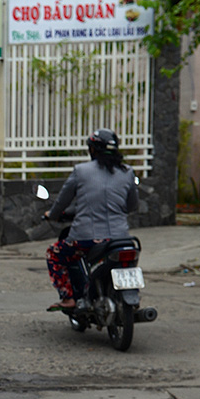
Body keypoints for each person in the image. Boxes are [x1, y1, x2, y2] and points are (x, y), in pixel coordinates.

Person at [44, 128, 138, 312]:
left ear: (92, 150)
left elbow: (62, 202)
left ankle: (68, 298)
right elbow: (132, 206)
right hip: (121, 239)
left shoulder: (81, 171)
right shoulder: (128, 172)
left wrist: (52, 215)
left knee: (54, 253)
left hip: (86, 238)